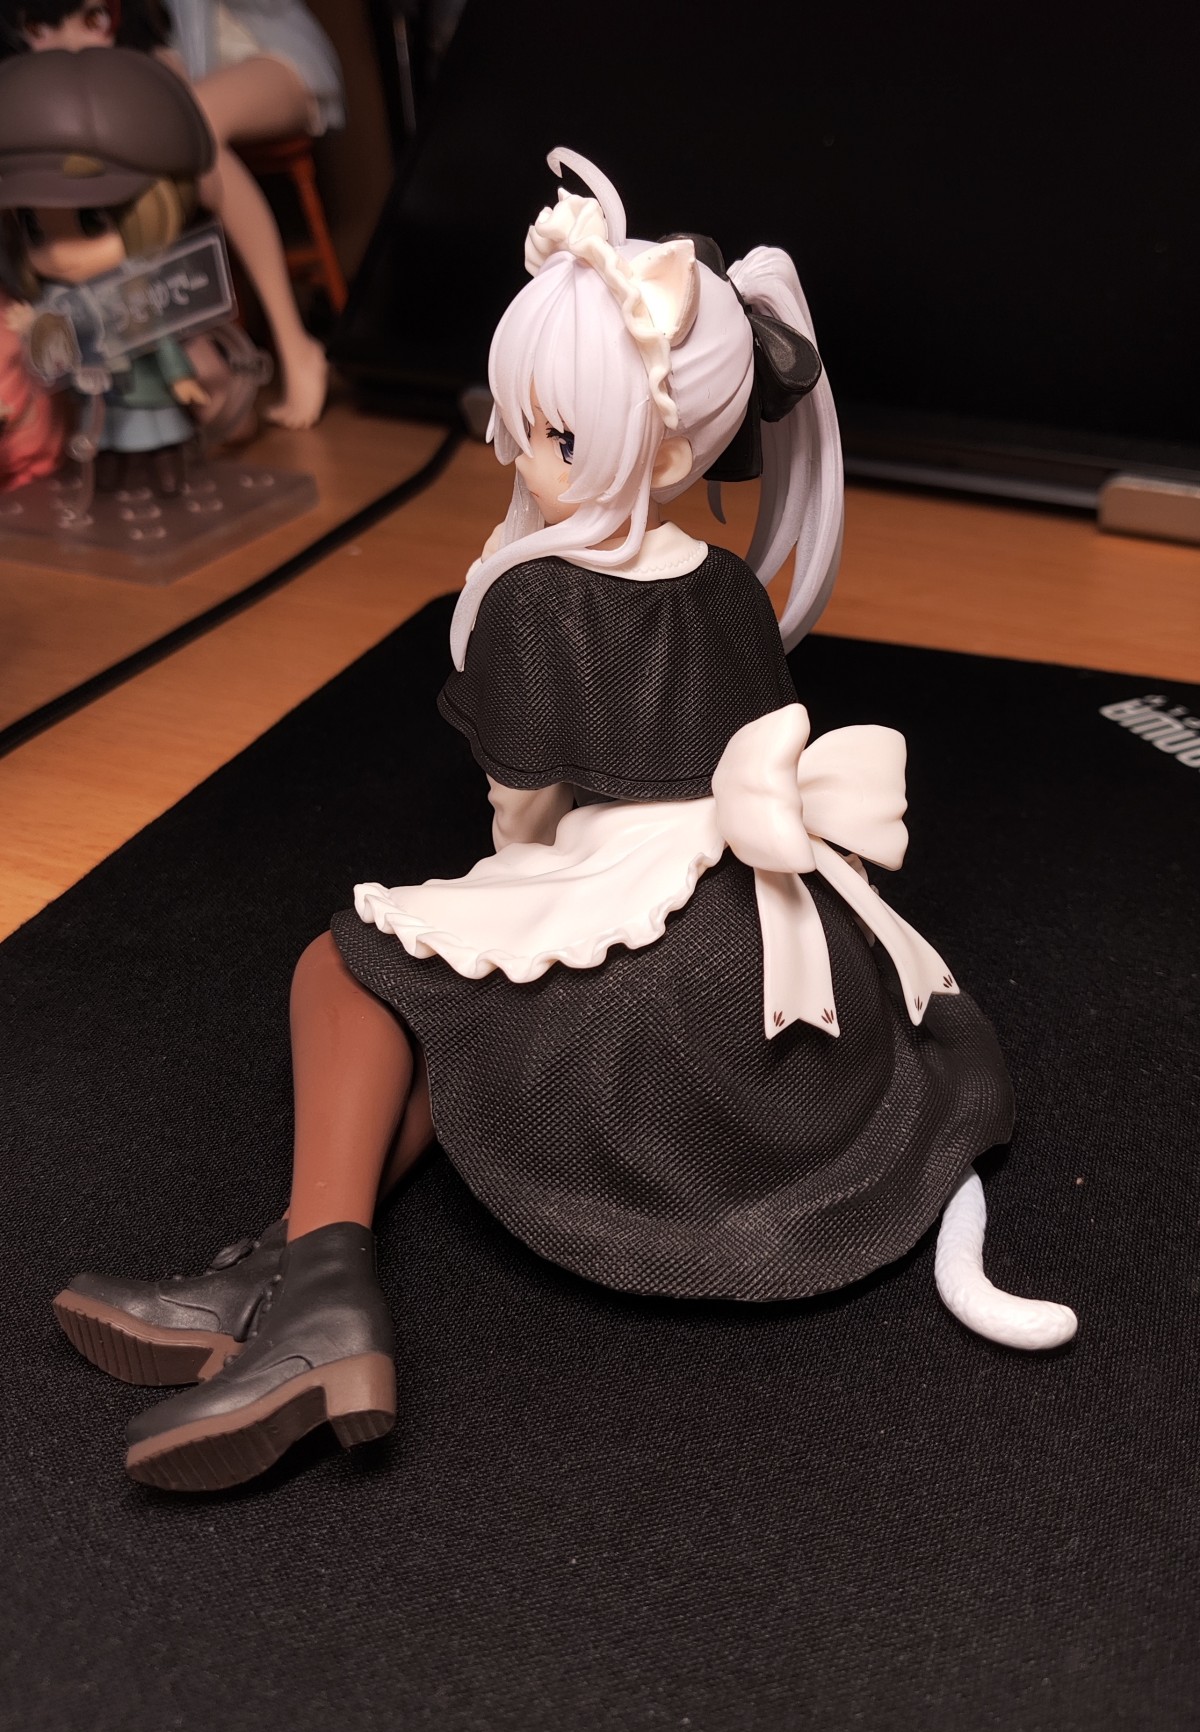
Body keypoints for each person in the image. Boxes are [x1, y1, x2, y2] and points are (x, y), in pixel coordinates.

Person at [53, 149, 1077, 1494]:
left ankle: (322, 1313)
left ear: (660, 446)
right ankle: (282, 1273)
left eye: (557, 433)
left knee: (345, 967)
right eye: (523, 422)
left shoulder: (539, 597)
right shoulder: (729, 584)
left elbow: (522, 810)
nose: (521, 452)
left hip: (655, 952)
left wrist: (507, 584)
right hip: (770, 944)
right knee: (446, 1000)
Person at [1, 0, 342, 428]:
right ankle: (185, 348)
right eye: (39, 28)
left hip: (258, 50)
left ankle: (294, 345)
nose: (70, 43)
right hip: (159, 69)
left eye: (93, 20)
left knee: (187, 125)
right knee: (124, 146)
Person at [0, 46, 215, 493]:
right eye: (36, 230)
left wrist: (180, 377)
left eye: (92, 223)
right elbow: (55, 339)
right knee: (106, 450)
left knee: (157, 440)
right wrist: (33, 324)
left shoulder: (135, 289)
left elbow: (160, 335)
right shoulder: (55, 293)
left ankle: (166, 474)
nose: (63, 254)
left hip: (143, 387)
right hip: (96, 393)